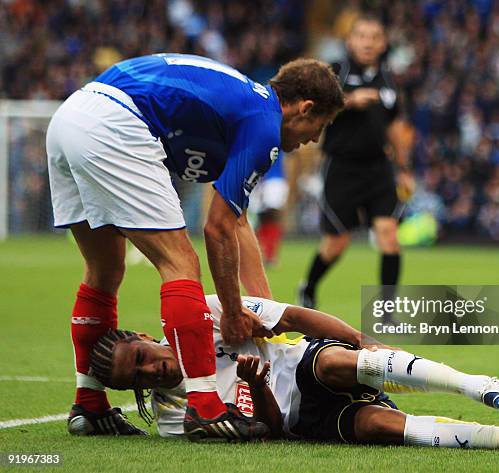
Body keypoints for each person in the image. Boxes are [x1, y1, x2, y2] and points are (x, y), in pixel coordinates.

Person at [46, 53, 344, 439]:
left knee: (104, 272)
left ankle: (88, 404)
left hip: (71, 116)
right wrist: (234, 312)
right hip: (116, 123)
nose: (315, 139)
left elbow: (236, 222)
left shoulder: (240, 106)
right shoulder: (263, 124)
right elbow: (216, 229)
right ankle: (204, 406)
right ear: (306, 108)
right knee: (181, 264)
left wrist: (265, 311)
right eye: (321, 125)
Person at [89, 295, 499, 452]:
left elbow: (296, 318)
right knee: (379, 427)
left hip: (303, 363)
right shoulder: (177, 417)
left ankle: (480, 385)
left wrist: (363, 339)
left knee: (337, 361)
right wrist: (257, 390)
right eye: (137, 379)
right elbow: (271, 432)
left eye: (141, 357)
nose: (151, 371)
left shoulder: (206, 313)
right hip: (301, 421)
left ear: (142, 336)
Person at [299, 15, 413, 312]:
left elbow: (394, 126)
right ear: (350, 41)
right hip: (342, 167)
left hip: (379, 168)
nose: (367, 42)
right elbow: (314, 109)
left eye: (374, 37)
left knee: (389, 235)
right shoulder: (334, 72)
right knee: (337, 243)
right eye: (361, 36)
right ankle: (308, 287)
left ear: (383, 43)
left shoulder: (388, 78)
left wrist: (403, 169)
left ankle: (387, 313)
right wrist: (349, 100)